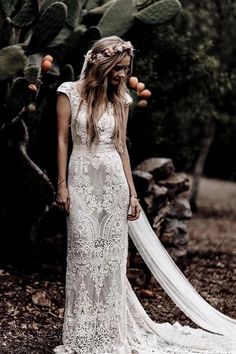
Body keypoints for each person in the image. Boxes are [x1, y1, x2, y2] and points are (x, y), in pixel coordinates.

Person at [54, 36, 236, 354]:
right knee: (83, 253)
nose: (123, 75)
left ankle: (108, 331)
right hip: (81, 179)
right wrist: (62, 185)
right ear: (101, 63)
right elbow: (61, 141)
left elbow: (121, 147)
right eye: (119, 68)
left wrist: (133, 195)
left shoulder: (120, 100)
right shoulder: (68, 93)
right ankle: (81, 331)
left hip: (113, 183)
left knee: (110, 261)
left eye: (126, 69)